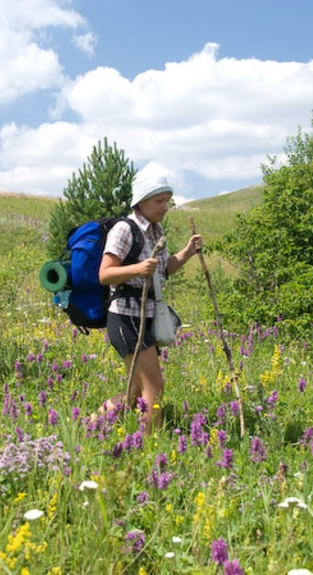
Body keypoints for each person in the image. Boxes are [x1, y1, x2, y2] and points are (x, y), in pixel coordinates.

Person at [96, 168, 202, 433]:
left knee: (135, 393)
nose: (165, 207)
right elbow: (105, 274)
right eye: (159, 201)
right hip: (125, 317)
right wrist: (138, 269)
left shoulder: (156, 231)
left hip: (145, 317)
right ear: (141, 201)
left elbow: (162, 270)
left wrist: (187, 252)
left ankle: (88, 425)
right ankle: (149, 446)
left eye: (167, 201)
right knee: (154, 386)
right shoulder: (124, 230)